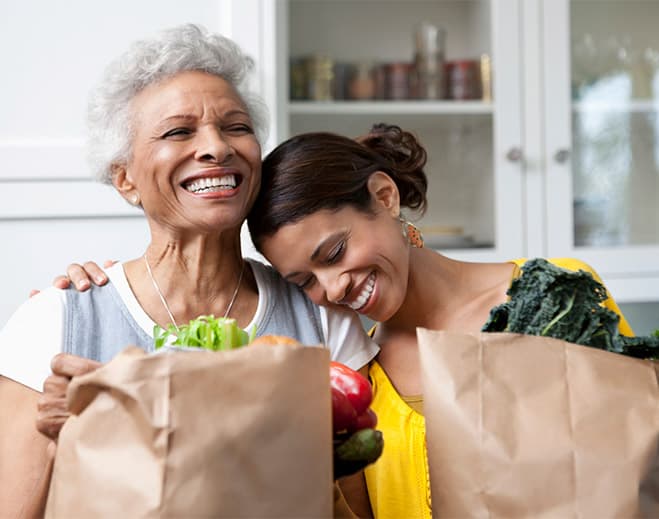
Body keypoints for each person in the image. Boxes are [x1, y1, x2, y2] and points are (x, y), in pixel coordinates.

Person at [52, 123, 634, 518]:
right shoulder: (352, 372)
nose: (333, 290)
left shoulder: (551, 292)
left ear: (383, 197)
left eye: (332, 254)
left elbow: (629, 455)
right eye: (304, 281)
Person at [0, 24, 378, 517]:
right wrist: (63, 437)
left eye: (236, 127)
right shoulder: (55, 322)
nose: (217, 147)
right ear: (126, 179)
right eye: (179, 131)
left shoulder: (322, 316)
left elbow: (359, 509)